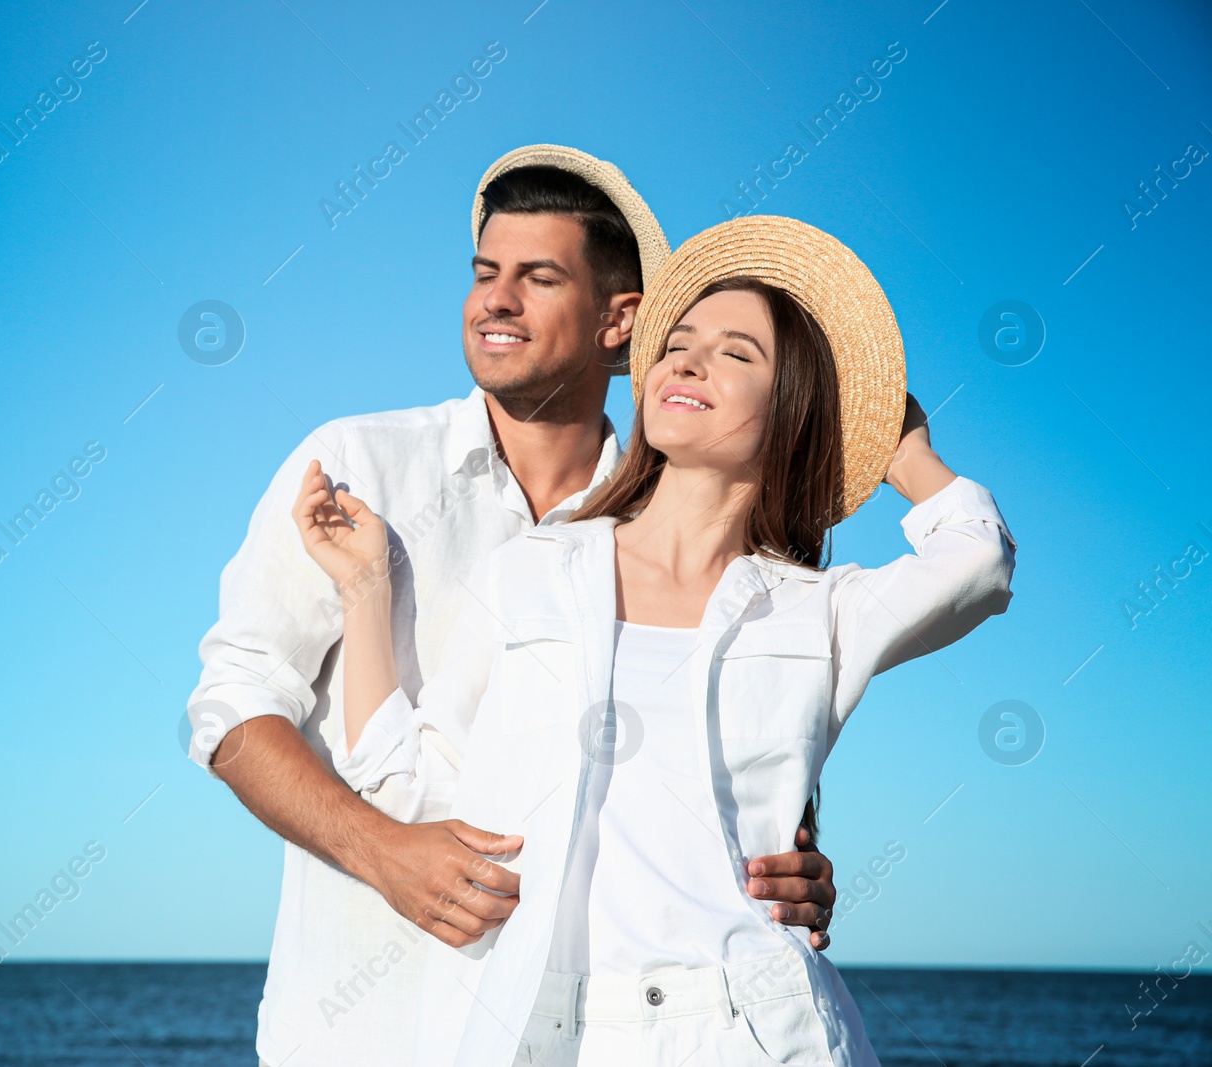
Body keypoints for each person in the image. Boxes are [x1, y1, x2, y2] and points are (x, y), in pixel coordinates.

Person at [292, 215, 1017, 1066]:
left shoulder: (816, 611)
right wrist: (364, 588)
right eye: (679, 342)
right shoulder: (533, 571)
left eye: (737, 353)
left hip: (754, 1025)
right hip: (541, 1029)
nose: (688, 359)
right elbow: (411, 790)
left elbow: (978, 564)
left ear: (789, 411)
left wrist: (900, 447)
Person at [187, 147, 841, 1067]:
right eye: (486, 274)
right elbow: (233, 706)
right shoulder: (355, 464)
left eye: (538, 278)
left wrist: (795, 867)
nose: (495, 299)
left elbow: (741, 768)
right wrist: (382, 848)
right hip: (356, 1038)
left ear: (622, 322)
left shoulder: (684, 532)